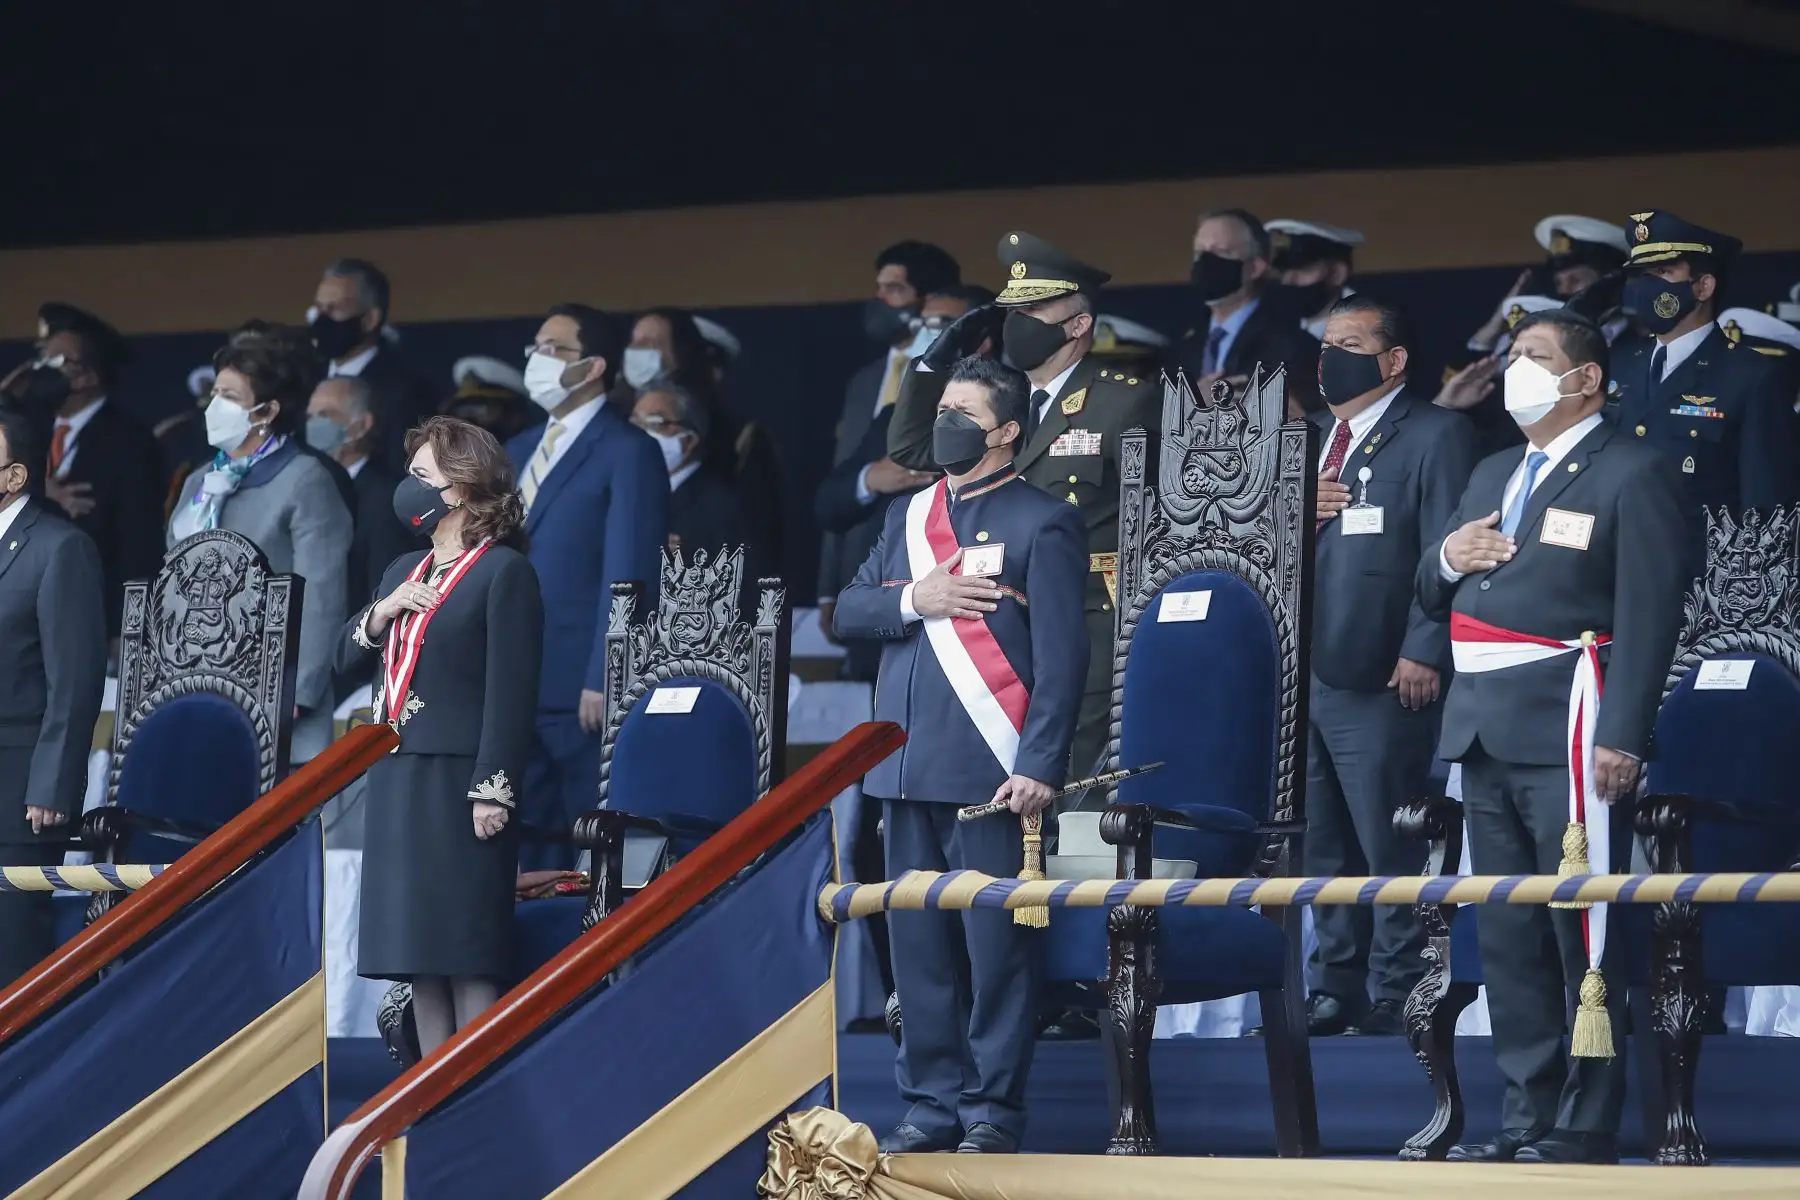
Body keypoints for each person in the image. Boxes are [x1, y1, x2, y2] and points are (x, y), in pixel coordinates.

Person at [1419, 310, 1687, 1165]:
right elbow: (1434, 593)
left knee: (1581, 929)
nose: (1516, 370)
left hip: (1574, 731)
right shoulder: (1494, 468)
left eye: (1536, 357)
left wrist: (1624, 733)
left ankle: (1585, 1117)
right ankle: (1525, 1113)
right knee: (1508, 934)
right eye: (1512, 355)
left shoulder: (1631, 470)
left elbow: (1650, 617)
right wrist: (1448, 559)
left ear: (1586, 380)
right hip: (1485, 729)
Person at [835, 355, 1087, 1155]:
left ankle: (991, 1112)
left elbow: (1063, 658)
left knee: (995, 954)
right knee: (918, 955)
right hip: (904, 770)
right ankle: (930, 1103)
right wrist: (919, 597)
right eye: (941, 406)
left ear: (1006, 430)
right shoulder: (908, 517)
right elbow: (848, 608)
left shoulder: (1040, 520)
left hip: (992, 771)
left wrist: (1041, 764)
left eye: (963, 412)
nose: (944, 421)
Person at [890, 231, 1157, 790]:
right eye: (1011, 309)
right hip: (993, 624)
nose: (1018, 322)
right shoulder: (998, 395)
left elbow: (1158, 515)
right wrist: (931, 366)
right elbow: (913, 450)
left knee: (1074, 779)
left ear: (1079, 323)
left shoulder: (1123, 398)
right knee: (999, 780)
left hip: (1087, 616)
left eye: (1034, 309)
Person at [339, 416, 543, 1056]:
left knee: (465, 950)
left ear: (461, 487)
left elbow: (512, 693)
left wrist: (494, 788)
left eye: (422, 476)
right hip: (396, 771)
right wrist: (384, 610)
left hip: (460, 781)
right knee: (417, 953)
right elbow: (341, 658)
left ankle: (477, 1087)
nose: (409, 488)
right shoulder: (406, 566)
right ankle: (429, 1094)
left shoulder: (503, 572)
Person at [1306, 295, 1479, 1036]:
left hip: (1386, 675)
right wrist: (1291, 508)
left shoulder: (1438, 434)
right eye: (1325, 343)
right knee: (1320, 843)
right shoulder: (1308, 438)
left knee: (1389, 837)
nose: (1330, 356)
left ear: (1394, 359)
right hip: (1304, 675)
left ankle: (1397, 987)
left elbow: (1452, 550)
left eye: (1349, 342)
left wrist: (1425, 646)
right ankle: (1332, 985)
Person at [508, 304, 667, 865]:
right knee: (521, 842)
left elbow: (629, 569)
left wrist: (606, 671)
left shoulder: (628, 449)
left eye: (552, 349)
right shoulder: (519, 447)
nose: (536, 359)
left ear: (594, 365)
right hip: (511, 677)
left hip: (579, 687)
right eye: (535, 346)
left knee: (591, 838)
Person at [169, 324, 355, 763]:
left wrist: (296, 693)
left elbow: (322, 597)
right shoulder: (200, 481)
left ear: (266, 410)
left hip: (272, 697)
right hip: (193, 689)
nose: (214, 406)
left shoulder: (305, 479)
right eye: (215, 393)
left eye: (230, 397)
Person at [1608, 210, 1799, 560]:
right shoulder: (1619, 364)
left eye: (1663, 272)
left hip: (1696, 585)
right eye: (1641, 276)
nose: (1646, 287)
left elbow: (1767, 509)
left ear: (1703, 286)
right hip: (1615, 576)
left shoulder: (1750, 375)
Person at [820, 283, 981, 684]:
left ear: (984, 340)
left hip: (972, 620)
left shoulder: (1012, 411)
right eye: (925, 324)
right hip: (890, 619)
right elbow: (827, 505)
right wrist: (869, 479)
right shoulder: (898, 416)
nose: (931, 334)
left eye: (945, 324)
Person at [0, 409, 107, 987]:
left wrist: (53, 785)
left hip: (16, 786)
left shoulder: (58, 547)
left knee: (8, 944)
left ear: (14, 476)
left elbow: (76, 679)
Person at [9, 304, 163, 650]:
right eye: (41, 355)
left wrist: (128, 626)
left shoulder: (129, 440)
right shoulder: (27, 429)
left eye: (59, 361)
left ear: (89, 376)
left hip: (89, 618)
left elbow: (139, 541)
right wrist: (38, 490)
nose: (42, 368)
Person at [628, 306, 784, 572]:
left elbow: (753, 538)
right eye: (634, 343)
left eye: (649, 344)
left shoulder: (737, 438)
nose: (636, 353)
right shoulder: (616, 424)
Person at [307, 375, 424, 654]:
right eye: (310, 416)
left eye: (325, 414)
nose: (313, 424)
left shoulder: (385, 499)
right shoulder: (312, 489)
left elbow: (383, 595)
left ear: (361, 426)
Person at [1176, 208, 1323, 415]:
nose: (1206, 263)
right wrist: (1191, 403)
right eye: (1200, 253)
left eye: (1222, 252)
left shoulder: (1293, 346)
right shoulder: (1181, 347)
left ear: (1255, 267)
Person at [310, 258, 435, 475]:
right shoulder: (306, 378)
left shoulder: (406, 391)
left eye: (334, 309)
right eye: (319, 308)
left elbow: (405, 470)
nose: (322, 319)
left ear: (369, 319)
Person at [630, 380, 762, 584]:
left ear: (689, 440)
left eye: (656, 423)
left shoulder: (722, 504)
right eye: (636, 423)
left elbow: (733, 581)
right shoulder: (629, 492)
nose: (641, 433)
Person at [1463, 217, 1629, 360]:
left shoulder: (1638, 334)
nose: (1564, 290)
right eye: (1559, 283)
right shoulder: (1540, 328)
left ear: (1612, 278)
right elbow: (1468, 380)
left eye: (1575, 280)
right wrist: (1499, 318)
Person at [1264, 219, 1363, 340]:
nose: (1288, 280)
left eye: (1303, 270)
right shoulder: (1272, 323)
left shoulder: (1368, 329)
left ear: (1337, 274)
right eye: (1283, 272)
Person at [443, 356, 535, 445]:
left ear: (514, 416)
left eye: (479, 409)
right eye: (461, 410)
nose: (466, 418)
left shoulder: (534, 452)